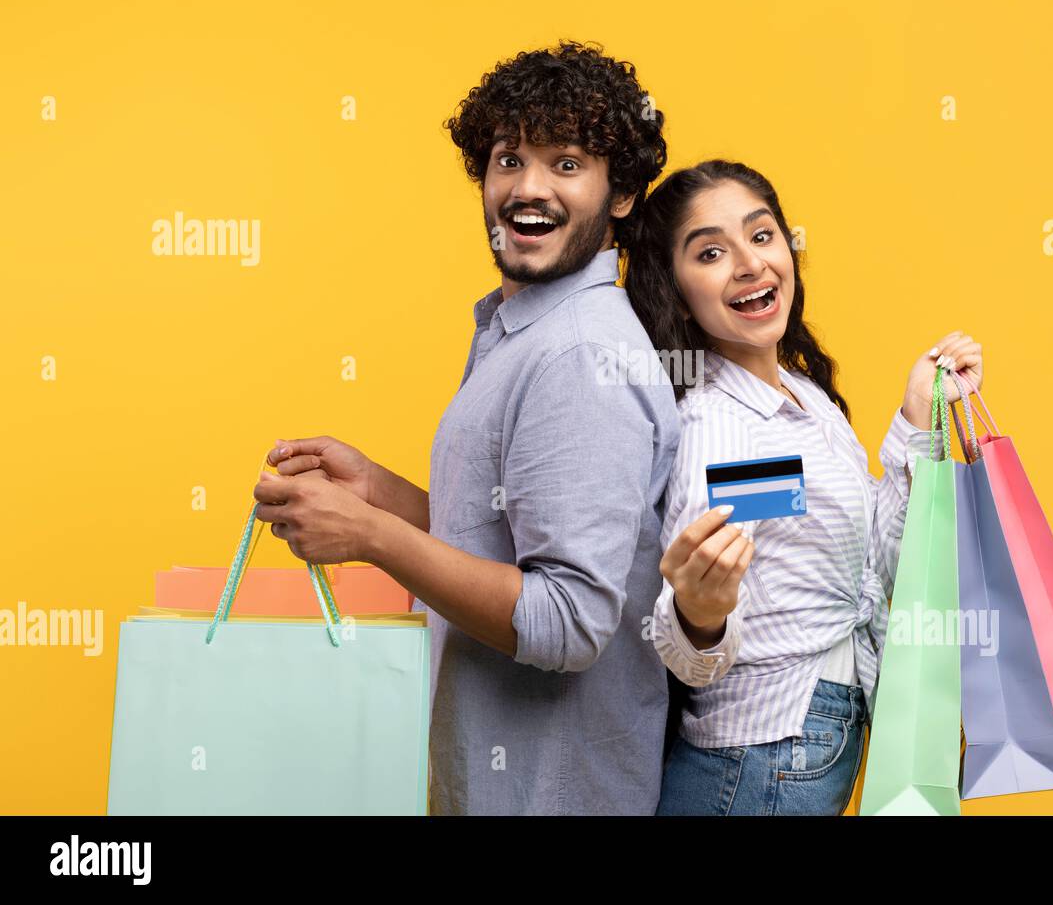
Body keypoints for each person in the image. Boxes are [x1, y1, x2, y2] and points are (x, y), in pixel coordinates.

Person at [252, 41, 680, 814]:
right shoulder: (518, 332)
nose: (530, 188)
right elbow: (501, 537)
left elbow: (568, 623)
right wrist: (378, 493)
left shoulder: (580, 355)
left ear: (620, 195)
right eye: (509, 159)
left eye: (568, 163)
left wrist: (370, 537)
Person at [622, 159, 985, 815]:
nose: (749, 263)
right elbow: (684, 647)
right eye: (710, 252)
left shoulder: (803, 401)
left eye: (761, 236)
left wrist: (914, 420)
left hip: (802, 748)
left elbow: (876, 570)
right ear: (675, 291)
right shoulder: (719, 426)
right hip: (758, 761)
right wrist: (698, 616)